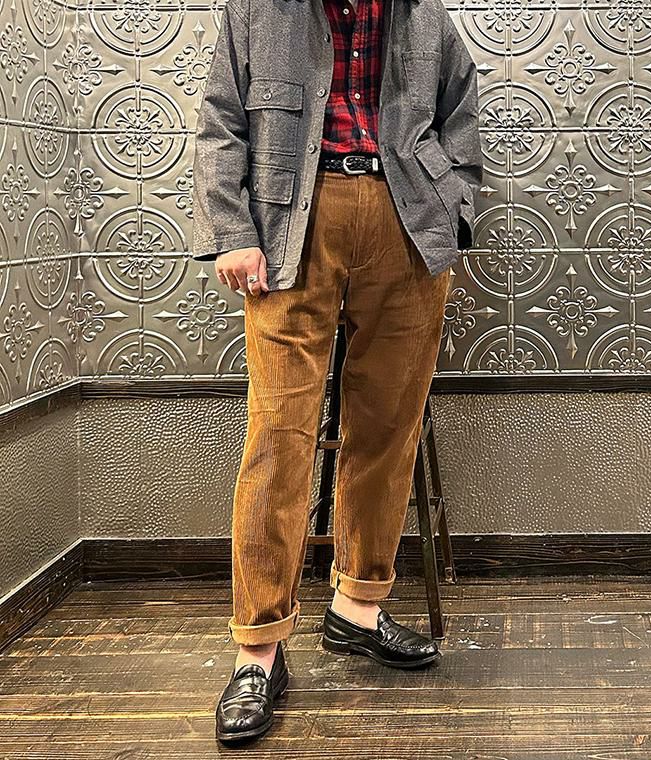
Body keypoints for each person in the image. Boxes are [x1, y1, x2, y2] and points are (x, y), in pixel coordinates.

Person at [191, 0, 482, 743]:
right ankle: (258, 649)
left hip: (407, 225)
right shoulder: (255, 11)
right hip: (291, 228)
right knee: (278, 438)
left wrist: (454, 205)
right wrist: (232, 231)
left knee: (386, 428)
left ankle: (358, 607)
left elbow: (460, 112)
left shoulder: (424, 13)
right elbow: (221, 122)